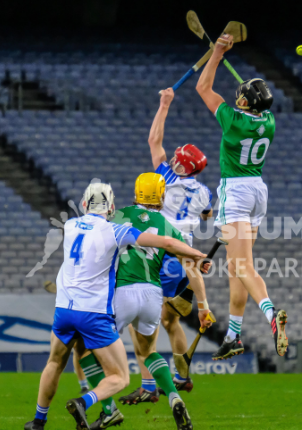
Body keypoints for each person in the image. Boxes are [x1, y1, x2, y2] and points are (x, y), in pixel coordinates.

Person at [24, 183, 209, 430]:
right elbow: (166, 243)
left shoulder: (69, 226)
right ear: (111, 207)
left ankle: (38, 421)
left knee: (56, 362)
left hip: (64, 310)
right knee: (122, 375)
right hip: (97, 311)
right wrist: (197, 254)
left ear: (83, 205)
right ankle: (88, 401)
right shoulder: (115, 230)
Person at [79, 173, 212, 430]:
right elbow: (192, 266)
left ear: (137, 192)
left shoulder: (118, 216)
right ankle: (174, 397)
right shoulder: (167, 225)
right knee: (148, 351)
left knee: (85, 349)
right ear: (161, 196)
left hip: (122, 292)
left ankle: (108, 410)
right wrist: (204, 306)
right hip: (153, 295)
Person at [117, 86, 215, 398]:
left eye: (178, 159)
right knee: (171, 321)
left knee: (143, 322)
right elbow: (207, 216)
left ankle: (148, 385)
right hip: (186, 262)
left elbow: (153, 140)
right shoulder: (203, 192)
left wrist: (164, 104)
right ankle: (183, 376)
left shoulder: (164, 176)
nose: (173, 160)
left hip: (161, 252)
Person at [196, 33, 288, 360]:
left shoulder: (233, 122)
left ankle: (270, 315)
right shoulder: (270, 122)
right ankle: (234, 335)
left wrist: (217, 53)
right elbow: (252, 103)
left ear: (247, 103)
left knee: (243, 267)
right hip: (258, 192)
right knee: (235, 269)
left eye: (242, 96)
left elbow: (203, 89)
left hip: (235, 191)